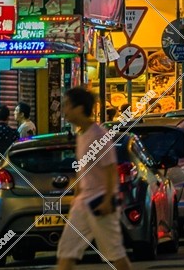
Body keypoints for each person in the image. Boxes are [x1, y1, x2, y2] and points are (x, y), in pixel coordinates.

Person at [52, 87, 132, 270]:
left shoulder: (99, 136)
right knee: (67, 251)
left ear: (79, 108)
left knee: (115, 254)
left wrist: (108, 199)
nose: (64, 111)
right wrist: (77, 194)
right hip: (83, 203)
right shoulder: (82, 135)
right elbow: (83, 169)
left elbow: (111, 169)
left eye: (67, 106)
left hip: (99, 203)